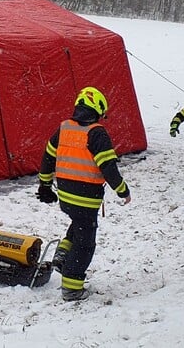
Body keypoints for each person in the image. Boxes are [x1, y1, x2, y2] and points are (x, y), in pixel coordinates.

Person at [36, 86, 131, 302]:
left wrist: (44, 185)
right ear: (97, 110)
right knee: (86, 243)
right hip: (86, 197)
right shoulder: (96, 133)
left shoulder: (64, 128)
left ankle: (62, 256)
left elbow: (48, 156)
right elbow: (108, 166)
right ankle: (72, 287)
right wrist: (122, 190)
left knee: (78, 224)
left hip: (66, 197)